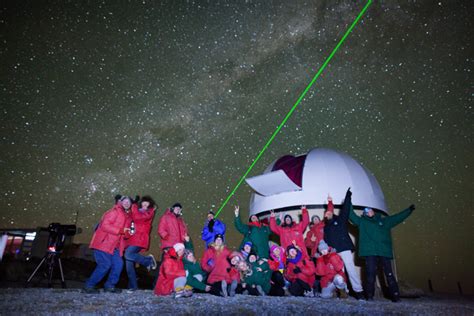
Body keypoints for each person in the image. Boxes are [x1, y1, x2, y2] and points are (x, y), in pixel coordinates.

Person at [349, 204, 416, 302]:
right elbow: (352, 215)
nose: (369, 211)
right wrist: (348, 200)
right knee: (370, 274)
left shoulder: (384, 221)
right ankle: (370, 296)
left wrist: (409, 210)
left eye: (370, 209)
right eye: (366, 211)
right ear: (364, 214)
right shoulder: (362, 222)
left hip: (383, 251)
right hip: (370, 251)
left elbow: (398, 217)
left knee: (389, 274)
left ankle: (396, 297)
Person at [83, 196, 133, 294]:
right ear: (120, 202)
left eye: (129, 202)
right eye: (125, 201)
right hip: (104, 243)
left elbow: (123, 233)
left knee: (118, 264)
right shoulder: (114, 212)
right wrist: (120, 230)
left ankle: (109, 286)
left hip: (116, 247)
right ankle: (88, 286)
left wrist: (127, 233)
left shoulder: (127, 216)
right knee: (105, 265)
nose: (127, 203)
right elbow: (105, 225)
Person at [323, 188, 364, 299]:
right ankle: (344, 291)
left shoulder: (340, 220)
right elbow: (326, 241)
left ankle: (358, 291)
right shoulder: (326, 228)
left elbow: (345, 209)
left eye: (329, 212)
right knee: (340, 272)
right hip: (335, 252)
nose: (327, 213)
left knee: (350, 269)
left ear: (332, 213)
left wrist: (347, 196)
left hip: (344, 249)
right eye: (326, 213)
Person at [124, 195, 157, 293]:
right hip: (131, 239)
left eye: (147, 202)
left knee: (128, 255)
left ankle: (148, 261)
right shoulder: (136, 210)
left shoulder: (149, 212)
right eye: (144, 202)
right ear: (141, 203)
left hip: (140, 238)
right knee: (129, 264)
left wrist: (133, 204)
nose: (145, 203)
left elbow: (138, 218)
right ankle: (133, 286)